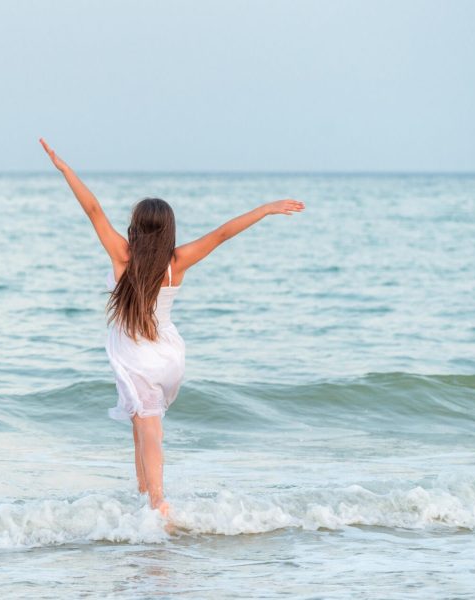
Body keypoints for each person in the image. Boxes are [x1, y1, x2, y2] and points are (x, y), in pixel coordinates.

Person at [39, 138, 304, 518]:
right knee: (141, 422)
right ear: (168, 232)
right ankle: (144, 495)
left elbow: (93, 209)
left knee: (148, 429)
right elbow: (222, 234)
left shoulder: (121, 255)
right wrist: (264, 209)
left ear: (135, 228)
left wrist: (66, 170)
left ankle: (158, 500)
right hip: (168, 355)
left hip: (136, 356)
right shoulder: (176, 262)